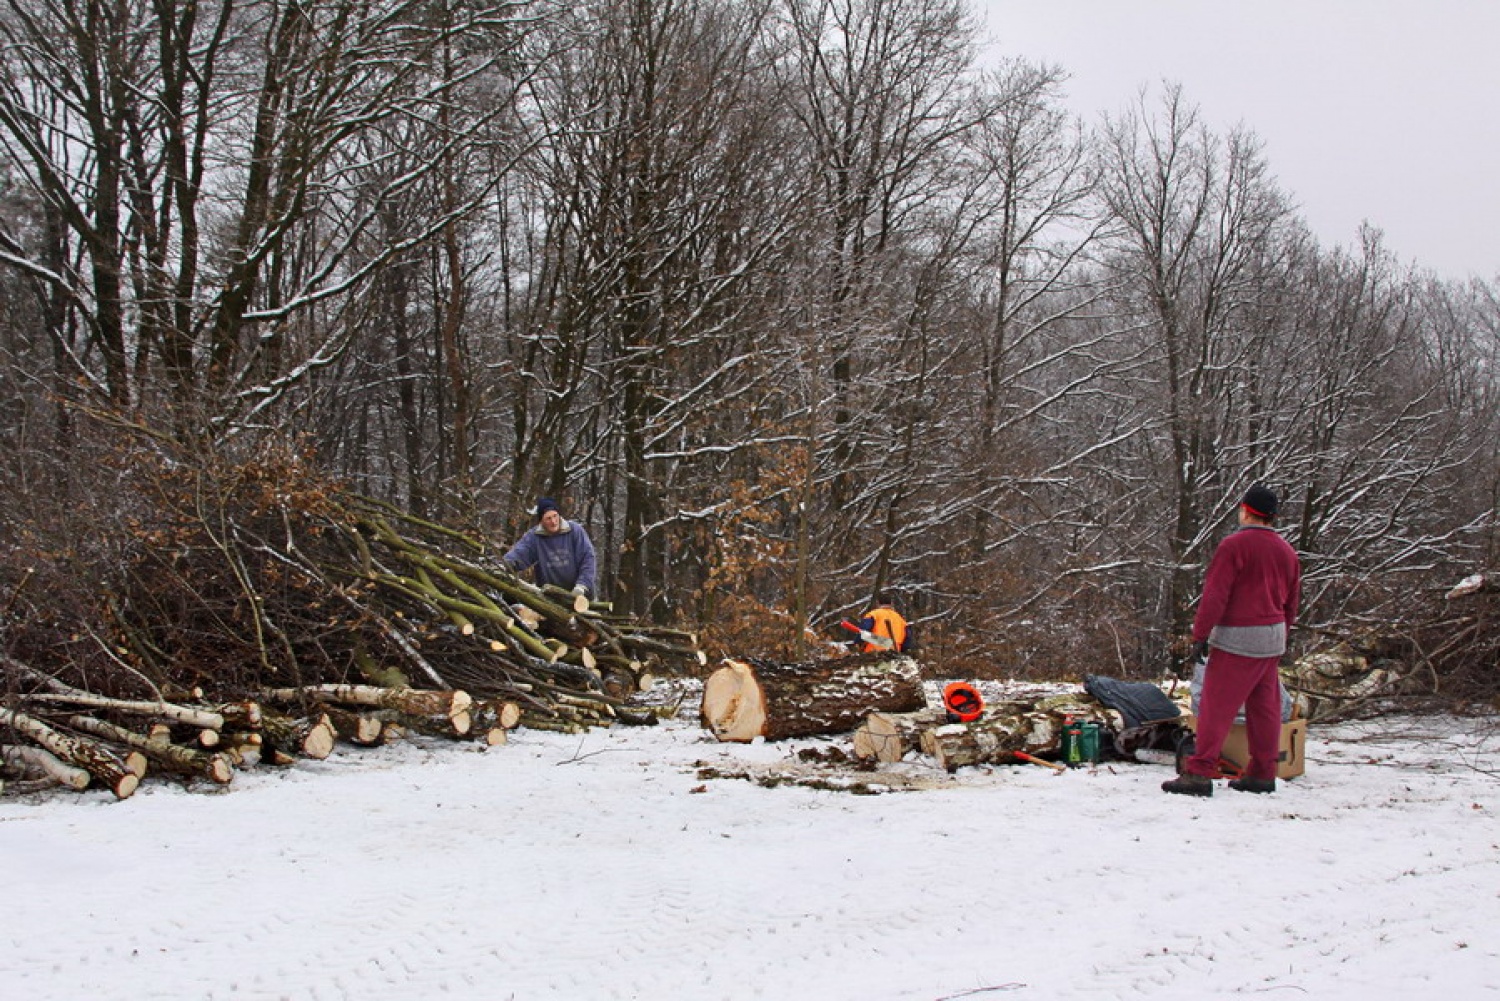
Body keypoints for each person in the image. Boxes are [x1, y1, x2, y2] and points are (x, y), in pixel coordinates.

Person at [1163, 483, 1301, 797]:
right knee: (1264, 706)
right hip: (1273, 635)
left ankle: (1199, 772)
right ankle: (1263, 772)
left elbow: (1216, 595)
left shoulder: (1234, 547)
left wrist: (1200, 634)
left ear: (1246, 510)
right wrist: (1282, 634)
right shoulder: (1287, 552)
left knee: (1216, 704)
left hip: (1239, 636)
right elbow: (1292, 602)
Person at [502, 497, 598, 598]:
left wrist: (582, 585)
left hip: (580, 595)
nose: (553, 521)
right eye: (548, 518)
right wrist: (503, 565)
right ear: (541, 521)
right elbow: (519, 554)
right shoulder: (534, 537)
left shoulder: (575, 531)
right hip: (551, 597)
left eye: (555, 516)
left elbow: (588, 558)